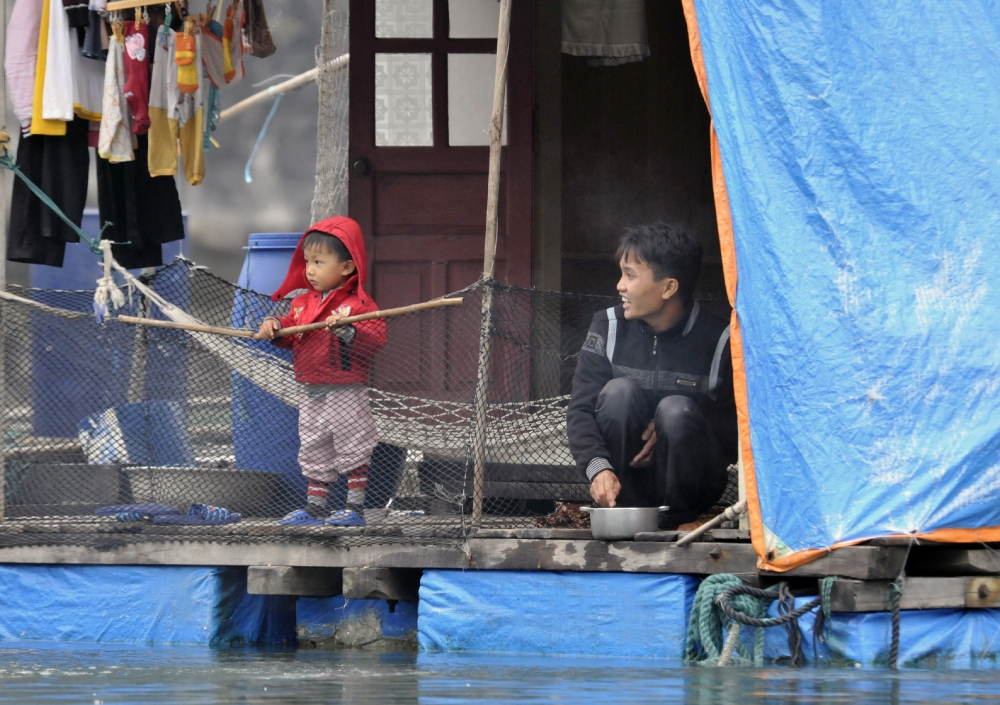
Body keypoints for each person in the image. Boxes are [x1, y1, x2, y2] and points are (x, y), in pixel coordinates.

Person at [566, 223, 738, 530]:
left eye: (630, 275)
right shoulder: (607, 326)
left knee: (675, 410)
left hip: (692, 490)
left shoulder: (722, 338)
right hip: (626, 485)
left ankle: (680, 519)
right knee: (619, 393)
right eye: (622, 273)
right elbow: (580, 410)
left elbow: (736, 432)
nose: (620, 285)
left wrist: (675, 424)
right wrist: (598, 469)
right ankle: (622, 511)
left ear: (669, 287)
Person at [258, 216, 386, 526]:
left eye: (318, 261)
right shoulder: (302, 303)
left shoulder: (359, 305)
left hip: (346, 389)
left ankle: (354, 509)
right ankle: (316, 507)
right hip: (311, 388)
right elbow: (292, 331)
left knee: (352, 443)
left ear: (346, 267)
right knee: (314, 443)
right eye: (306, 262)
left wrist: (348, 333)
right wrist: (276, 326)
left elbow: (375, 341)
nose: (310, 270)